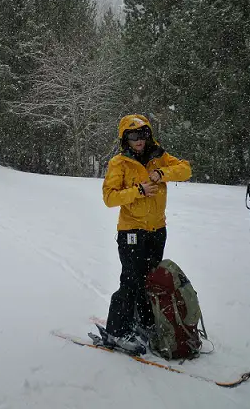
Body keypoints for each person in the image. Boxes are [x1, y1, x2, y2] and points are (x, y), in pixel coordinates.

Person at [101, 114, 192, 353]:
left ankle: (144, 322)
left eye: (142, 135)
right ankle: (116, 331)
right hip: (131, 230)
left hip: (157, 230)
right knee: (131, 280)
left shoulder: (159, 156)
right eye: (133, 136)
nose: (139, 140)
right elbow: (109, 198)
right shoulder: (119, 163)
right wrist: (138, 190)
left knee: (150, 279)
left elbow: (185, 170)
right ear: (125, 139)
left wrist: (162, 174)